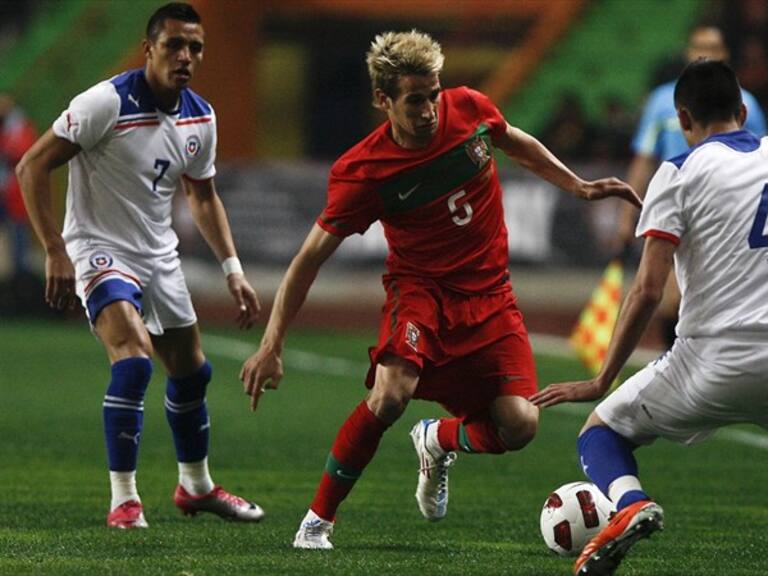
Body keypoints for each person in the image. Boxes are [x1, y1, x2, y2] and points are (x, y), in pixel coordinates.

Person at [239, 30, 641, 550]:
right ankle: (318, 521)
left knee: (520, 425)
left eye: (433, 94)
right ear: (382, 100)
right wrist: (272, 344)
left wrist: (579, 186)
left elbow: (510, 137)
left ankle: (437, 440)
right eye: (414, 100)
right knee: (389, 395)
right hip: (421, 292)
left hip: (492, 294)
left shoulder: (468, 108)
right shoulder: (364, 172)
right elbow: (308, 259)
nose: (429, 109)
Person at [16, 2, 264, 529]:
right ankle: (124, 500)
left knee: (193, 372)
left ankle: (195, 488)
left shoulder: (201, 116)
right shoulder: (105, 102)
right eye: (174, 44)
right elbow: (31, 164)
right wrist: (55, 250)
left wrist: (233, 269)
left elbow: (203, 196)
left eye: (194, 47)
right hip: (97, 247)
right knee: (132, 359)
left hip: (157, 254)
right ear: (149, 48)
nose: (186, 56)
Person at [531, 59, 768, 575]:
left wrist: (602, 378)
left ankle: (632, 503)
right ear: (744, 111)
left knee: (602, 430)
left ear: (683, 119)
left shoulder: (678, 172)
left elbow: (646, 291)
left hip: (711, 362)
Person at [618, 23, 766, 347]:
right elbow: (644, 156)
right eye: (699, 46)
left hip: (722, 210)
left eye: (713, 47)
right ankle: (675, 357)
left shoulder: (748, 105)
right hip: (674, 206)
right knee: (669, 295)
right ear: (687, 51)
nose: (704, 54)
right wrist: (628, 209)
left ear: (725, 54)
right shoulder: (661, 102)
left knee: (697, 292)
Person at [0, 93, 37, 278]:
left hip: (15, 188)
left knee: (18, 230)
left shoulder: (19, 126)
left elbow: (22, 152)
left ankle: (22, 275)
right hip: (6, 188)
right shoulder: (7, 127)